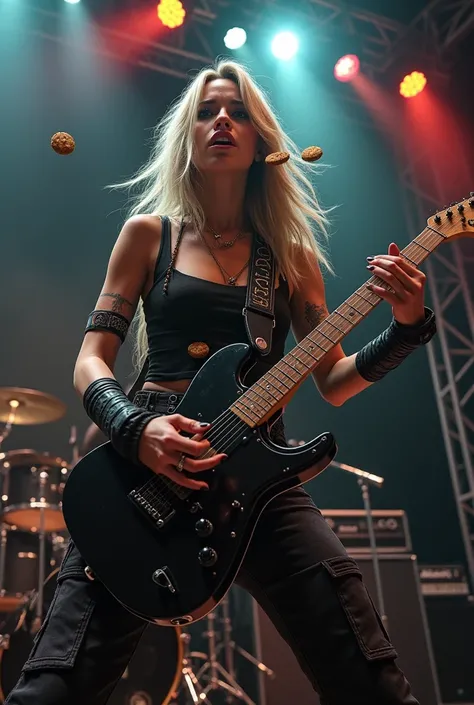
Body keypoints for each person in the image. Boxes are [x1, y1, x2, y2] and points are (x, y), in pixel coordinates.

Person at [6, 60, 435, 705]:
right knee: (55, 688)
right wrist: (137, 427)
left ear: (262, 139)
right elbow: (90, 360)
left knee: (370, 678)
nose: (222, 121)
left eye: (236, 111)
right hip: (147, 469)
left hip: (260, 478)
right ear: (188, 136)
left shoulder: (290, 258)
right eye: (206, 112)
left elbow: (336, 381)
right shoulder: (149, 235)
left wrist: (405, 326)